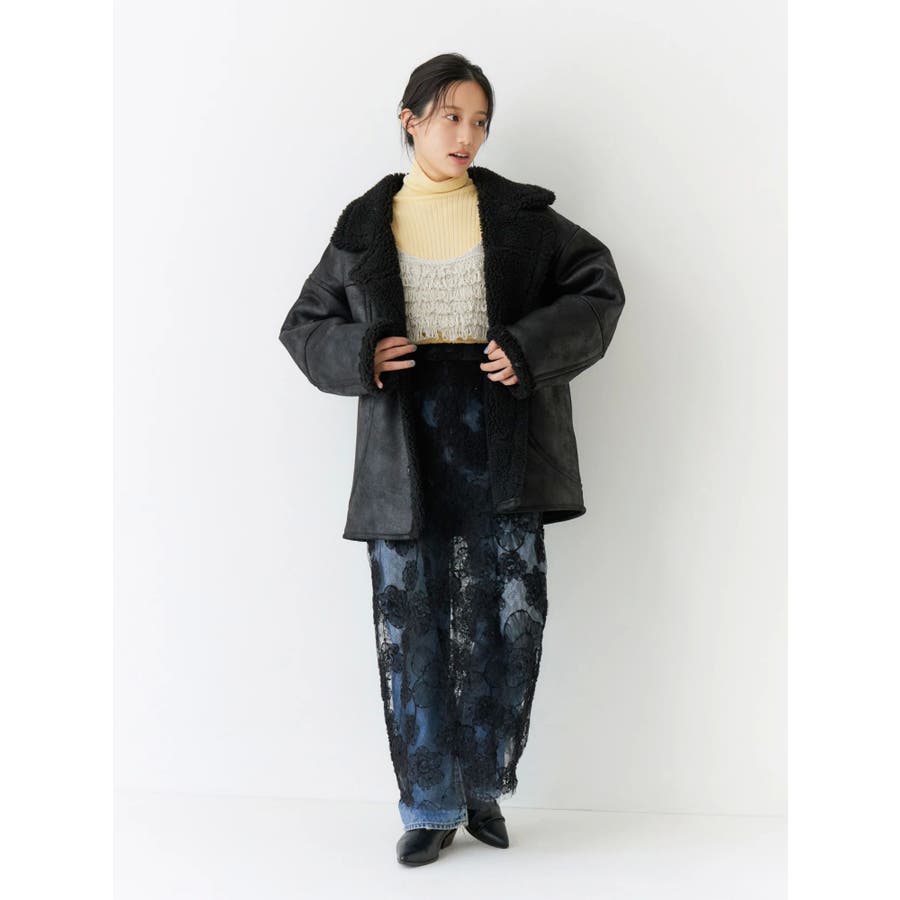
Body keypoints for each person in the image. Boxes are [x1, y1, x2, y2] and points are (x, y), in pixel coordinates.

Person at [278, 52, 626, 867]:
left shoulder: (521, 219)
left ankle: (482, 789)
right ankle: (429, 801)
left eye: (479, 121)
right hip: (404, 447)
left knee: (503, 617)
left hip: (502, 440)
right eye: (450, 117)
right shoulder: (364, 225)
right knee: (414, 626)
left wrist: (528, 348)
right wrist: (362, 351)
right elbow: (304, 325)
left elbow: (597, 289)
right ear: (411, 121)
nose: (465, 135)